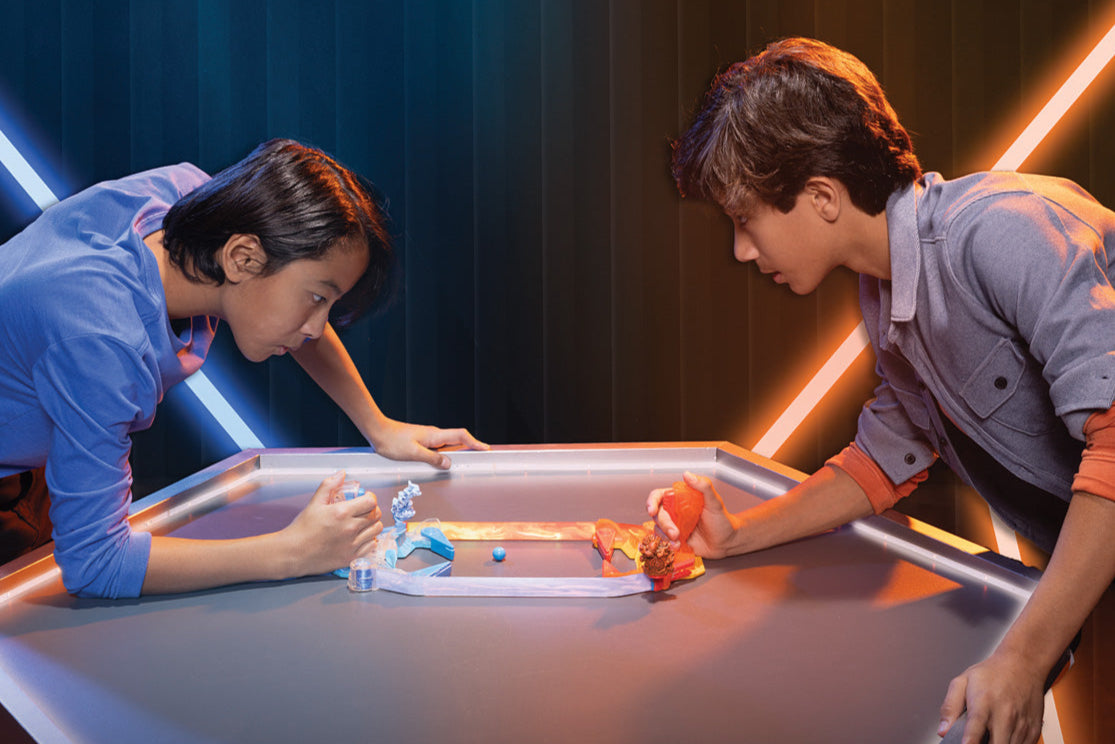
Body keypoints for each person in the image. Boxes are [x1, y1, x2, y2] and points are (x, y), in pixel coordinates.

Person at [650, 37, 1115, 744]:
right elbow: (880, 461)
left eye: (744, 220)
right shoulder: (885, 293)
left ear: (820, 197)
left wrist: (1021, 657)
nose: (742, 250)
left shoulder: (1003, 229)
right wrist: (736, 535)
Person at [0, 138, 487, 599]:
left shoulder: (194, 202)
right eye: (317, 298)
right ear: (241, 257)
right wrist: (292, 552)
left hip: (36, 463)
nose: (317, 328)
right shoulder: (99, 340)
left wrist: (377, 426)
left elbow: (289, 291)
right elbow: (96, 563)